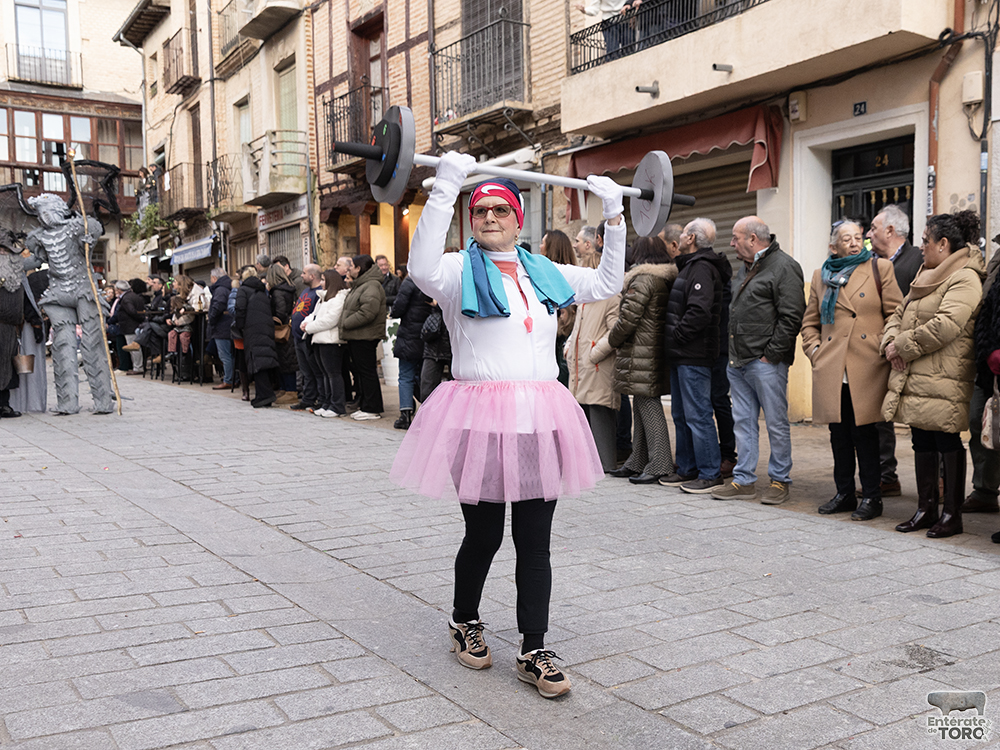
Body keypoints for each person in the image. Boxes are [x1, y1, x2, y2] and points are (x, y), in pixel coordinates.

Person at [390, 153, 625, 700]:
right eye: (480, 211)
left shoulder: (547, 271)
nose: (490, 217)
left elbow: (609, 279)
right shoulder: (451, 273)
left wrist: (613, 215)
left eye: (501, 209)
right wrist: (447, 184)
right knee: (485, 533)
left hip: (539, 418)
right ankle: (463, 619)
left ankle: (533, 648)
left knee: (535, 541)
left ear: (520, 219)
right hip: (477, 418)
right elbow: (419, 265)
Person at [881, 211, 985, 538]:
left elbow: (947, 325)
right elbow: (898, 313)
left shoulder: (965, 277)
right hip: (916, 373)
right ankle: (926, 508)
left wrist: (902, 347)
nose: (920, 246)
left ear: (943, 244)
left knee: (946, 439)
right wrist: (890, 342)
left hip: (945, 375)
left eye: (925, 240)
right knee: (921, 438)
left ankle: (952, 514)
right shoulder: (925, 273)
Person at [801, 220, 903, 521]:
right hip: (832, 364)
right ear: (834, 246)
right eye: (847, 239)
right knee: (839, 433)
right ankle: (844, 493)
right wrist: (815, 351)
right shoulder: (821, 275)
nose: (856, 243)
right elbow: (810, 322)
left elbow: (896, 313)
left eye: (859, 238)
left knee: (865, 434)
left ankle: (872, 496)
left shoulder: (879, 268)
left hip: (866, 363)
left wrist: (883, 346)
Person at [712, 217, 805, 505]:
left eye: (736, 238)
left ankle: (779, 480)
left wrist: (771, 355)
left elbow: (792, 316)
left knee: (776, 423)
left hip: (765, 362)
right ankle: (744, 481)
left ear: (753, 239)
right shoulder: (747, 268)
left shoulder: (784, 266)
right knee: (743, 422)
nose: (731, 243)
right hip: (739, 360)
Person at [659, 218, 732, 494]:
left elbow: (699, 312)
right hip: (683, 354)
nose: (682, 236)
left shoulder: (701, 268)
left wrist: (677, 336)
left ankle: (710, 472)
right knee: (681, 413)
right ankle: (687, 467)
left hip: (693, 353)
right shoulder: (691, 266)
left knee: (698, 414)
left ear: (691, 239)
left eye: (686, 231)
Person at [607, 235, 677, 484]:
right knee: (641, 402)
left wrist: (611, 341)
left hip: (641, 350)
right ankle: (638, 459)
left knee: (648, 404)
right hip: (652, 349)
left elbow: (628, 319)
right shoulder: (663, 278)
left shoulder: (643, 279)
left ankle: (659, 463)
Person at [867, 205, 921, 497]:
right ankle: (886, 476)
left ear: (890, 230)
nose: (868, 234)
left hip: (910, 352)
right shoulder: (871, 263)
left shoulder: (917, 260)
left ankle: (936, 482)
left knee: (921, 419)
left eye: (873, 228)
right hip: (878, 352)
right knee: (880, 419)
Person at [565, 248, 621, 472]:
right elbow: (578, 328)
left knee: (600, 412)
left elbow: (615, 330)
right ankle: (590, 463)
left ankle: (605, 462)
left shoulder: (610, 296)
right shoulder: (585, 298)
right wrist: (569, 345)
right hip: (583, 364)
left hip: (598, 365)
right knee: (585, 412)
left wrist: (595, 352)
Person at [967, 237, 1000, 516]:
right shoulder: (997, 258)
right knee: (978, 421)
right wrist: (987, 348)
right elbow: (985, 308)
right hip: (989, 362)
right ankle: (985, 490)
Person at [340, 254, 387, 421]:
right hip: (358, 335)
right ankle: (366, 405)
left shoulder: (371, 286)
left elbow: (368, 311)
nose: (348, 269)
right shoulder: (361, 285)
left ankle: (372, 408)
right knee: (361, 372)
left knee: (367, 372)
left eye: (351, 265)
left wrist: (345, 322)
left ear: (359, 268)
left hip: (365, 336)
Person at [302, 269, 349, 418]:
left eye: (323, 280)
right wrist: (305, 322)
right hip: (319, 340)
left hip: (332, 341)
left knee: (333, 374)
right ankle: (327, 403)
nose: (321, 283)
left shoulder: (339, 298)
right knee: (325, 374)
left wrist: (309, 327)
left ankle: (337, 406)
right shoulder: (323, 298)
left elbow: (331, 320)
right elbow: (314, 315)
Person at [390, 268, 433, 429]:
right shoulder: (433, 280)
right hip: (429, 333)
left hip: (409, 333)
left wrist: (394, 313)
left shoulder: (410, 281)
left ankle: (405, 414)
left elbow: (399, 307)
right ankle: (427, 412)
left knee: (406, 375)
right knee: (425, 376)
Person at [234, 266, 280, 408]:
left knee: (256, 360)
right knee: (264, 359)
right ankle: (264, 394)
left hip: (252, 328)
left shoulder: (243, 290)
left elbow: (240, 309)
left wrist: (240, 327)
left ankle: (265, 395)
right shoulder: (263, 290)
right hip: (266, 326)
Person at [541, 230, 577, 387]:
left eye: (543, 243)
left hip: (560, 342)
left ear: (551, 248)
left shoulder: (556, 277)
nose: (540, 247)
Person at [289, 264, 323, 411]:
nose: (301, 276)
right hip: (298, 337)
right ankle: (308, 398)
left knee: (315, 370)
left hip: (308, 337)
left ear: (312, 276)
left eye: (304, 273)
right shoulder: (305, 291)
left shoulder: (319, 293)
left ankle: (321, 399)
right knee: (305, 371)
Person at [266, 261, 299, 397]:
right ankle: (286, 389)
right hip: (288, 328)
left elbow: (280, 312)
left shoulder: (278, 292)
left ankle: (290, 390)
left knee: (285, 360)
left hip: (282, 329)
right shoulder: (288, 288)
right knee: (286, 359)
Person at [207, 267, 234, 389]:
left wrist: (211, 319)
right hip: (228, 325)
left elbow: (218, 306)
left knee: (225, 355)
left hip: (222, 327)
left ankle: (228, 380)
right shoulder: (228, 286)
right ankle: (232, 378)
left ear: (214, 278)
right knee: (229, 355)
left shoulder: (220, 290)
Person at [118, 279, 147, 375]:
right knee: (134, 347)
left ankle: (138, 367)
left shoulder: (126, 299)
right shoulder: (134, 296)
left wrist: (139, 318)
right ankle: (137, 366)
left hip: (130, 326)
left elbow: (132, 311)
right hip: (134, 325)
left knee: (134, 347)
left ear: (119, 289)